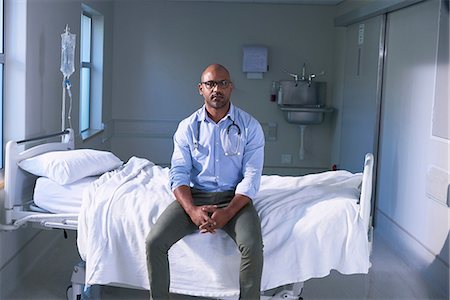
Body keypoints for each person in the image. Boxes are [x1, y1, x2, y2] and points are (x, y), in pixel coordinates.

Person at [146, 64, 265, 299]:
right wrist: (191, 210)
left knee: (251, 246)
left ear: (230, 88)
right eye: (210, 84)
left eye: (222, 83)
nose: (216, 89)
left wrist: (228, 213)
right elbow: (178, 172)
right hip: (196, 194)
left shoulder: (250, 126)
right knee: (154, 242)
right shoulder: (187, 127)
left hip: (234, 197)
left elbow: (251, 176)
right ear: (201, 89)